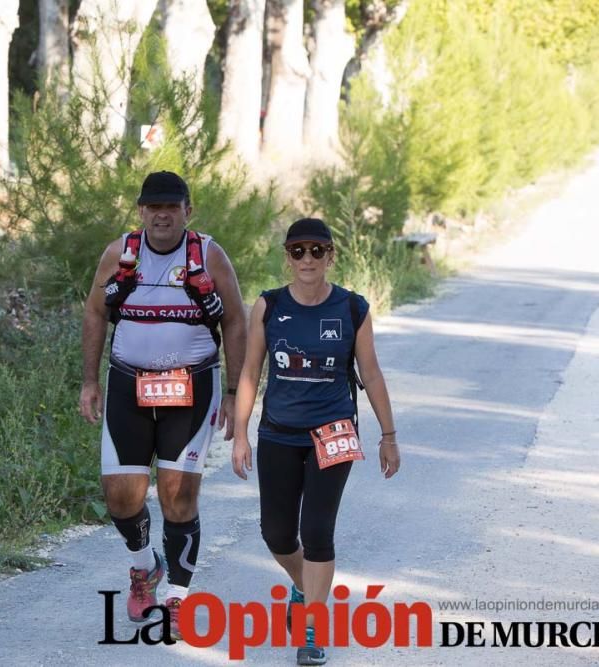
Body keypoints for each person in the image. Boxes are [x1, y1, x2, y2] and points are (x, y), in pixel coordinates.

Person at [80, 170, 246, 638]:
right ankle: (143, 567)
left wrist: (234, 392)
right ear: (141, 211)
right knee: (120, 495)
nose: (162, 215)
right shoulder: (120, 254)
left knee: (178, 495)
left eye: (171, 207)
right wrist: (89, 381)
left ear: (187, 211)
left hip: (192, 387)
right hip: (127, 386)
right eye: (153, 207)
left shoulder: (209, 255)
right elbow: (95, 312)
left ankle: (177, 594)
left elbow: (236, 321)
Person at [231, 217, 400, 665]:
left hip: (334, 431)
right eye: (298, 251)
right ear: (287, 256)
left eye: (317, 250)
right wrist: (241, 434)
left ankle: (313, 627)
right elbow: (251, 372)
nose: (307, 259)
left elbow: (372, 373)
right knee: (277, 534)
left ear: (331, 256)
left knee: (318, 531)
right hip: (279, 433)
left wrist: (389, 434)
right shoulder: (268, 306)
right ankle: (304, 585)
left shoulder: (352, 309)